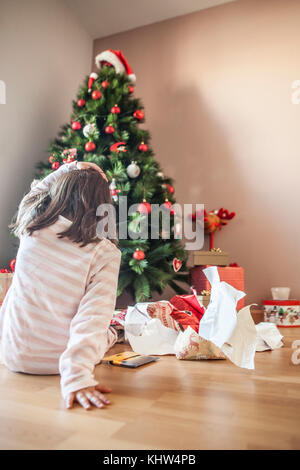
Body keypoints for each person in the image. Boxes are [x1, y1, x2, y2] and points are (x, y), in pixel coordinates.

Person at [0, 161, 121, 410]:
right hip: (57, 363)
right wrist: (77, 378)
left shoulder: (32, 225)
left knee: (17, 292)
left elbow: (35, 192)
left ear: (59, 191)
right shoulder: (104, 252)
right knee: (105, 331)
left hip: (12, 355)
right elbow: (92, 318)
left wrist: (70, 167)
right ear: (103, 207)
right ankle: (112, 336)